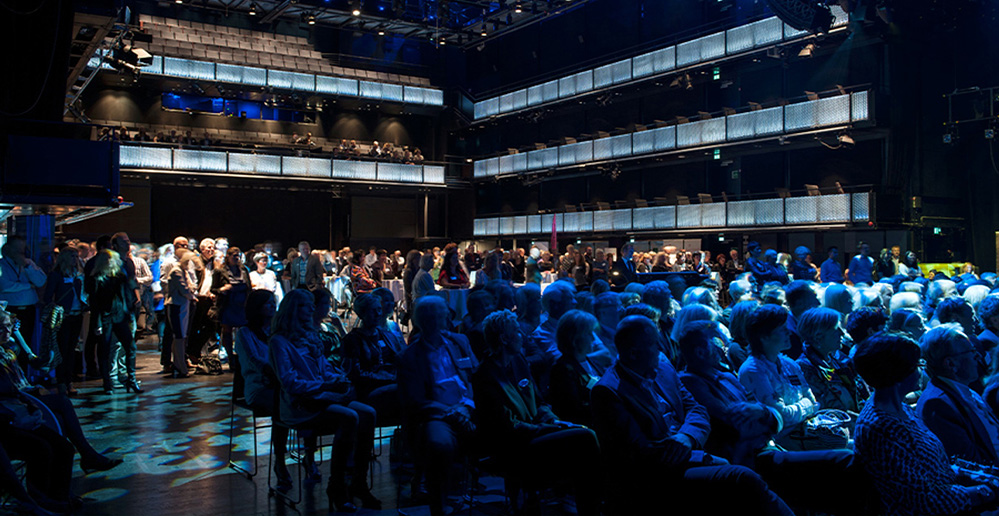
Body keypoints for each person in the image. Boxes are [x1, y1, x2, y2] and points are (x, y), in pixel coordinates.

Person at [590, 315, 794, 515]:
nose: (661, 350)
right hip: (659, 476)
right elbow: (641, 452)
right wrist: (700, 455)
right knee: (742, 478)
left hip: (691, 450)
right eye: (654, 344)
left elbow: (696, 409)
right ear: (634, 353)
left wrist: (686, 437)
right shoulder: (608, 392)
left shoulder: (662, 366)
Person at [678, 320, 864, 514]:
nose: (724, 347)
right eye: (717, 341)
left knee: (847, 460)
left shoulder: (728, 377)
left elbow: (776, 415)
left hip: (770, 446)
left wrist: (766, 414)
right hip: (750, 458)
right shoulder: (691, 383)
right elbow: (741, 422)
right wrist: (768, 415)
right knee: (844, 460)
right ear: (700, 352)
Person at [853, 331, 999, 515]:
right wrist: (984, 492)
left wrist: (986, 477)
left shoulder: (900, 409)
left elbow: (939, 468)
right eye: (917, 365)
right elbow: (924, 501)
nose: (922, 371)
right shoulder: (882, 428)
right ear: (898, 374)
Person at [472, 310, 601, 515]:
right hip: (514, 445)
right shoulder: (485, 376)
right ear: (504, 339)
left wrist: (552, 419)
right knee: (585, 437)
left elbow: (540, 402)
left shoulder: (519, 361)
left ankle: (587, 504)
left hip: (537, 431)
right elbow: (507, 427)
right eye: (516, 332)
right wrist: (547, 428)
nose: (522, 336)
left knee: (582, 435)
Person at [268, 289, 380, 512]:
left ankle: (358, 481)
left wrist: (338, 379)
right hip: (300, 403)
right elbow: (290, 382)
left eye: (311, 305)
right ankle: (337, 485)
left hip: (323, 396)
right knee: (350, 416)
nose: (311, 309)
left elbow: (324, 370)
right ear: (292, 310)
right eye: (304, 305)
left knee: (368, 413)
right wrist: (325, 385)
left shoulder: (311, 336)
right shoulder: (279, 342)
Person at [0, 308, 121, 513]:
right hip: (11, 412)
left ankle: (60, 493)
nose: (6, 331)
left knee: (63, 439)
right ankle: (42, 496)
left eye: (8, 326)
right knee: (52, 426)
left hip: (22, 402)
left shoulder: (9, 348)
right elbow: (9, 391)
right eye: (2, 328)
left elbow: (36, 363)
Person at [397, 296, 479, 516]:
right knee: (439, 443)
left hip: (468, 407)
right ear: (427, 320)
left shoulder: (458, 342)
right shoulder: (410, 356)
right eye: (441, 314)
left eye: (443, 314)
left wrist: (466, 407)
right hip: (436, 413)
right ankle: (439, 504)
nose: (446, 318)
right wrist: (452, 413)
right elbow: (416, 401)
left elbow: (474, 377)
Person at [232, 289, 291, 488]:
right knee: (282, 405)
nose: (273, 307)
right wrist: (276, 371)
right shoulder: (244, 333)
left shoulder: (279, 332)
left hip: (281, 384)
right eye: (268, 304)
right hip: (257, 386)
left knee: (300, 399)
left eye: (274, 303)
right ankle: (280, 461)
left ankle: (308, 454)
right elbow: (253, 362)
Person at [739, 304, 819, 449]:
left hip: (806, 434)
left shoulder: (790, 364)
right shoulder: (753, 370)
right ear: (764, 337)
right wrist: (806, 404)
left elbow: (814, 401)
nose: (789, 332)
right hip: (779, 444)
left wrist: (801, 407)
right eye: (782, 329)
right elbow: (781, 417)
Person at [917, 324, 999, 466]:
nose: (978, 356)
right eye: (971, 351)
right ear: (950, 363)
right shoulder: (937, 404)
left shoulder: (964, 389)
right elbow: (969, 463)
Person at [342, 293, 404, 425]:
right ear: (362, 314)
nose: (378, 314)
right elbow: (354, 374)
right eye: (372, 311)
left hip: (392, 383)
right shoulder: (353, 340)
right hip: (367, 390)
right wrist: (388, 378)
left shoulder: (387, 335)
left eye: (379, 309)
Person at [796, 307, 870, 413]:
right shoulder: (804, 368)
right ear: (818, 337)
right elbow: (826, 408)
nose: (842, 333)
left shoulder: (838, 359)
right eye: (836, 329)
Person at [87, 249, 140, 394]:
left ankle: (131, 380)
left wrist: (129, 315)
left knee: (130, 347)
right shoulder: (97, 279)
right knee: (105, 350)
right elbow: (95, 303)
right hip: (106, 318)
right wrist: (97, 322)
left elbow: (126, 297)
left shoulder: (120, 276)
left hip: (120, 316)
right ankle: (108, 384)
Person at [43, 246, 85, 396]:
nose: (75, 259)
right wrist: (56, 309)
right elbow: (48, 296)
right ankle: (62, 382)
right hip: (64, 316)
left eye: (76, 256)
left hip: (77, 314)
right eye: (72, 256)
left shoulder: (79, 274)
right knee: (62, 349)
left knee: (72, 349)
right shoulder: (57, 275)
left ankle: (69, 381)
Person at [548, 310, 602, 427]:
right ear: (574, 338)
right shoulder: (562, 370)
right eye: (589, 333)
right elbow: (572, 411)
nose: (593, 338)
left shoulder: (590, 361)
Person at [0, 237, 47, 367]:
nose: (20, 253)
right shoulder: (1, 265)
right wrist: (28, 286)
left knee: (27, 340)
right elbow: (4, 286)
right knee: (11, 343)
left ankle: (25, 374)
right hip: (10, 309)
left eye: (22, 250)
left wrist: (27, 267)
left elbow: (41, 281)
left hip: (29, 308)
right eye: (17, 250)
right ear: (8, 249)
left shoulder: (28, 264)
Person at [212, 247, 250, 375]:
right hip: (227, 304)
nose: (236, 257)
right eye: (233, 255)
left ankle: (242, 357)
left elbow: (248, 287)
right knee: (227, 331)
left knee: (243, 332)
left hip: (241, 305)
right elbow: (214, 289)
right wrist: (223, 289)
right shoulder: (220, 271)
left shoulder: (244, 270)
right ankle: (230, 358)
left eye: (237, 255)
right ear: (227, 256)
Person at [166, 248, 199, 378]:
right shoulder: (176, 271)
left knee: (181, 337)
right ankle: (180, 366)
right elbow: (185, 290)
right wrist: (192, 295)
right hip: (177, 306)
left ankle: (179, 364)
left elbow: (190, 286)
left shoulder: (182, 271)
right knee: (179, 337)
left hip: (182, 306)